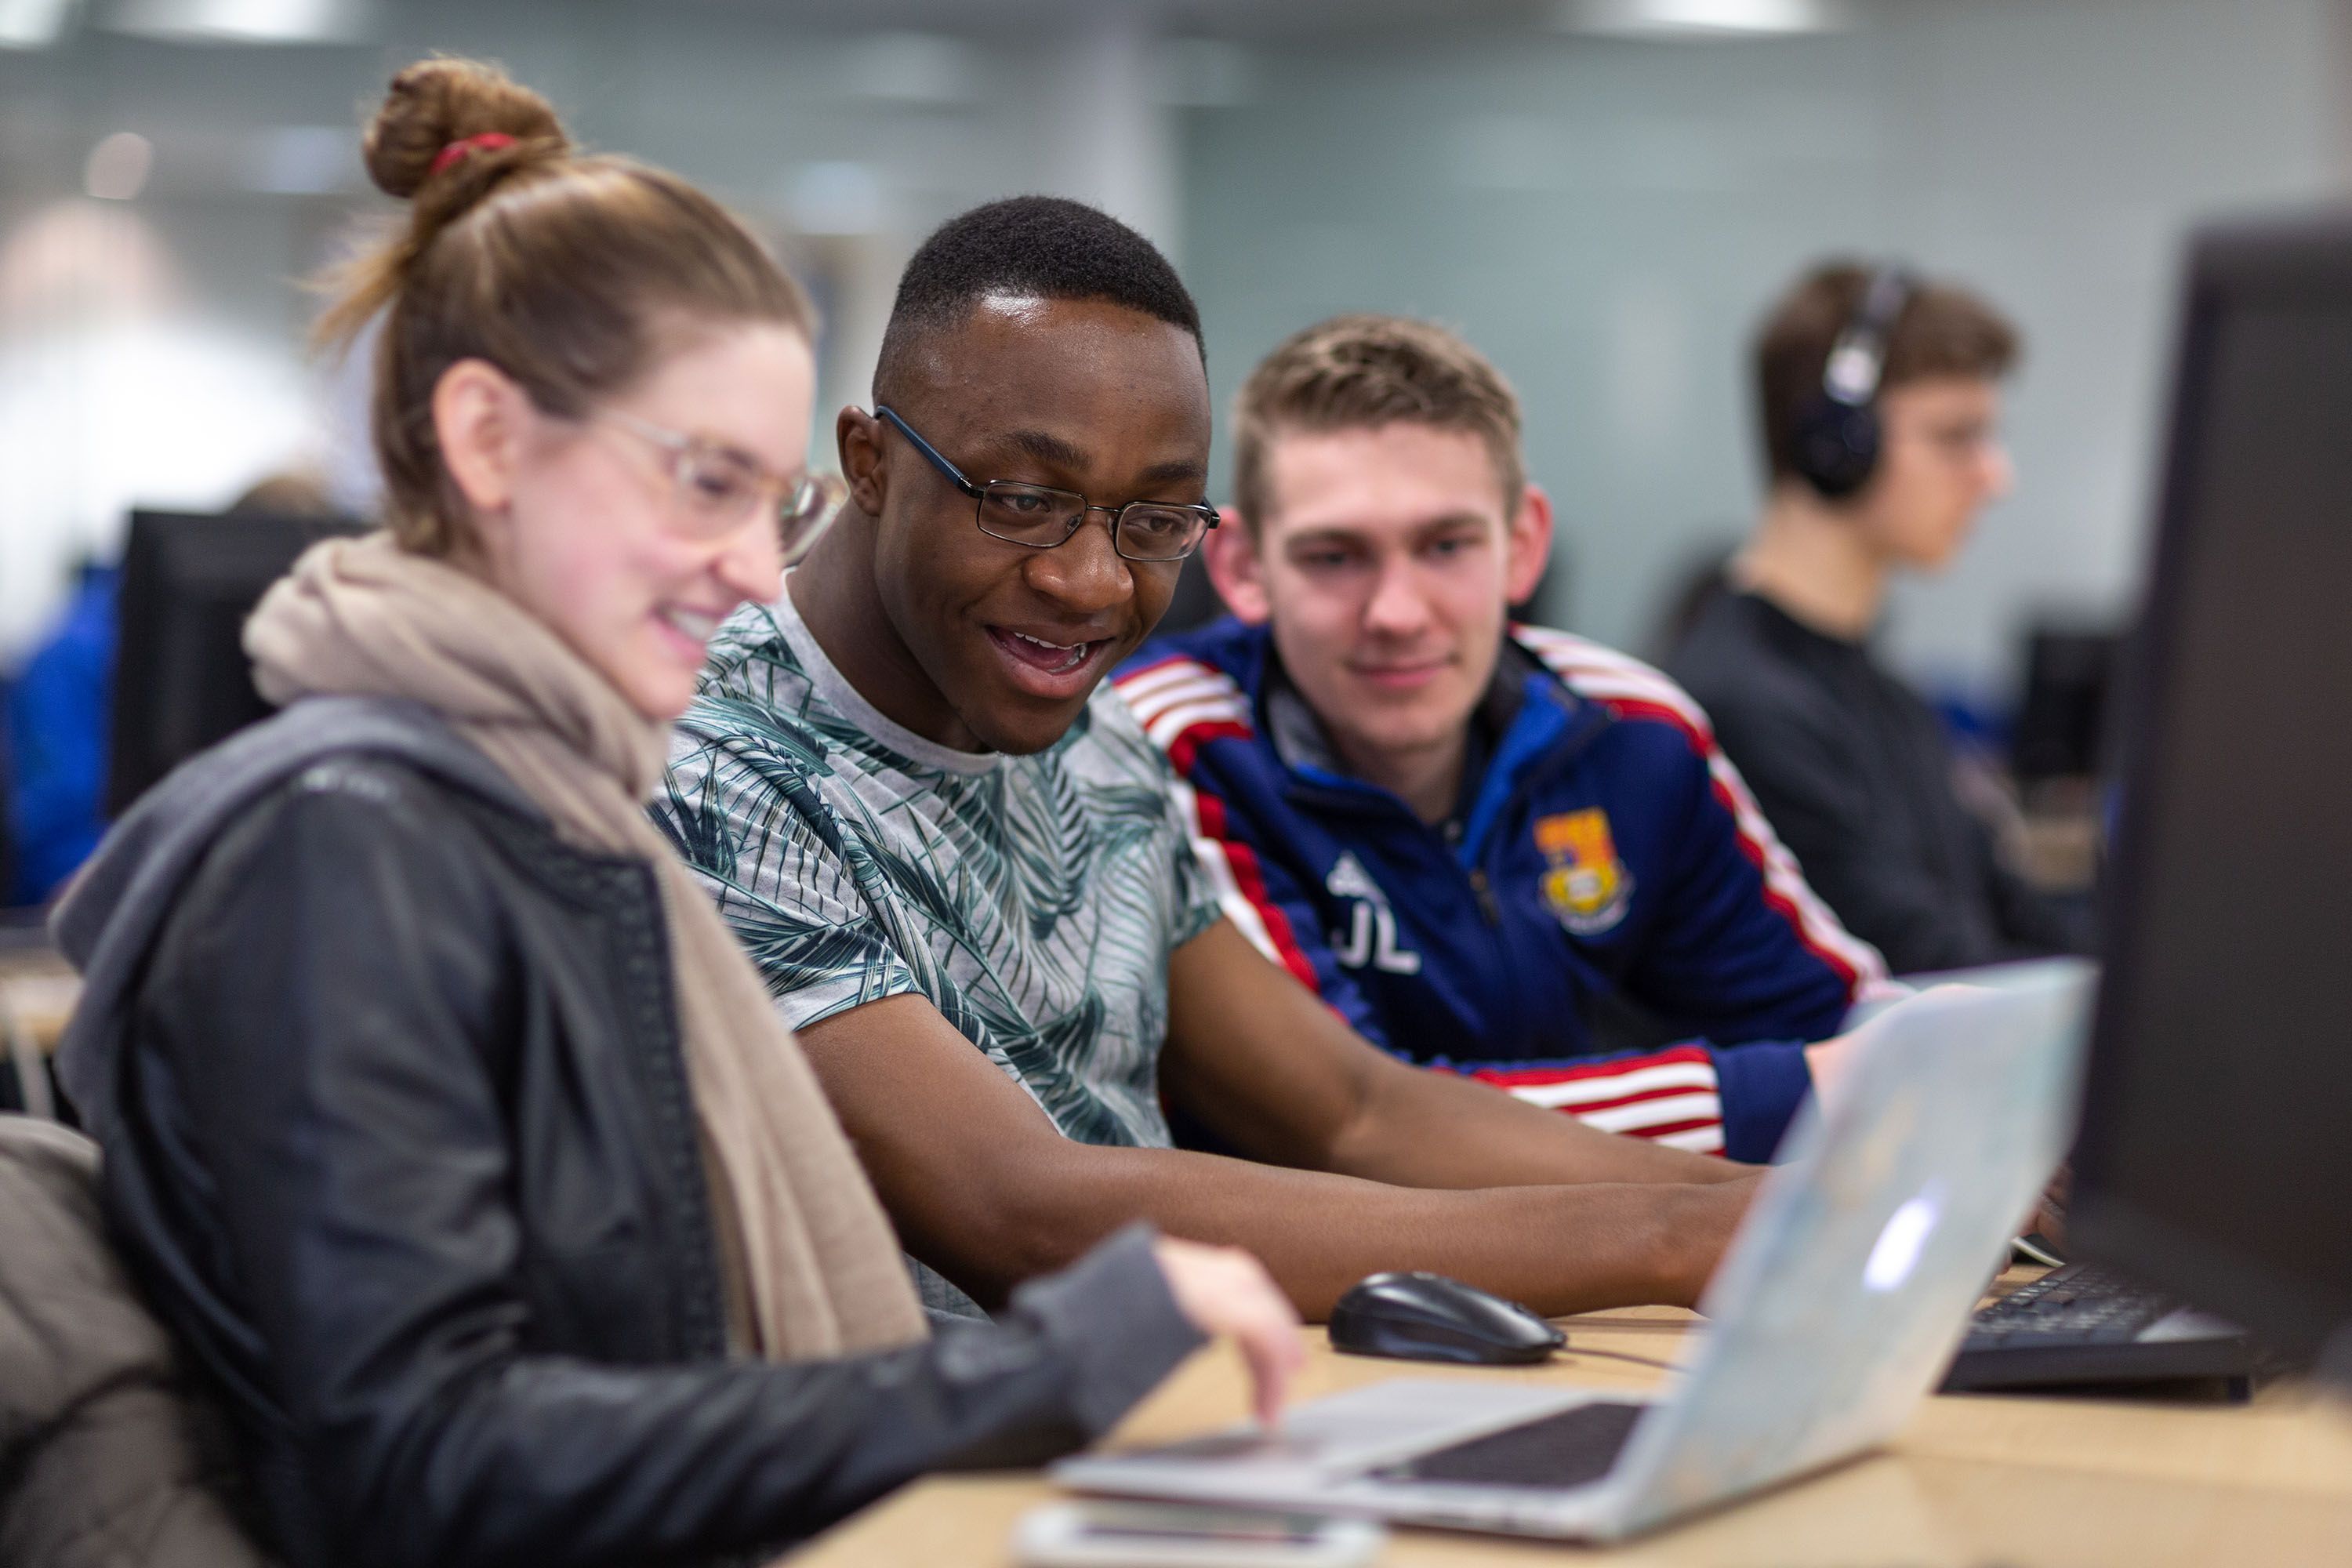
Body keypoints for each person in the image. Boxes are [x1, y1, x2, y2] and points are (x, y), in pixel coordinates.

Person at [49, 61, 1300, 1568]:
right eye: (702, 484)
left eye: (762, 498)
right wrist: (1037, 1373)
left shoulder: (554, 819)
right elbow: (422, 1469)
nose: (742, 568)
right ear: (492, 443)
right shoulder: (345, 850)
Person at [659, 196, 1758, 1332]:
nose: (1091, 582)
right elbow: (1019, 1213)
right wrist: (1667, 1239)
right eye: (1025, 501)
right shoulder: (711, 765)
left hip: (1178, 1417)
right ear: (871, 461)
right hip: (917, 1480)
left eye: (1154, 521)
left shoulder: (1092, 728)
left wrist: (1773, 1207)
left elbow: (1350, 1109)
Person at [1114, 316, 1890, 1165]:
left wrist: (1918, 1060)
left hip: (1574, 1274)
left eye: (1446, 545)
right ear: (1242, 570)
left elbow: (1849, 1027)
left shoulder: (1628, 726)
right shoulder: (1168, 745)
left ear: (1522, 547)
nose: (1398, 613)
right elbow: (1358, 1122)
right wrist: (1793, 1095)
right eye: (1334, 556)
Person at [1668, 262, 2093, 975]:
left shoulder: (1882, 692)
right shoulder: (1742, 705)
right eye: (1957, 437)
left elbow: (2010, 911)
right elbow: (1920, 966)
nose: (1995, 476)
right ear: (1836, 445)